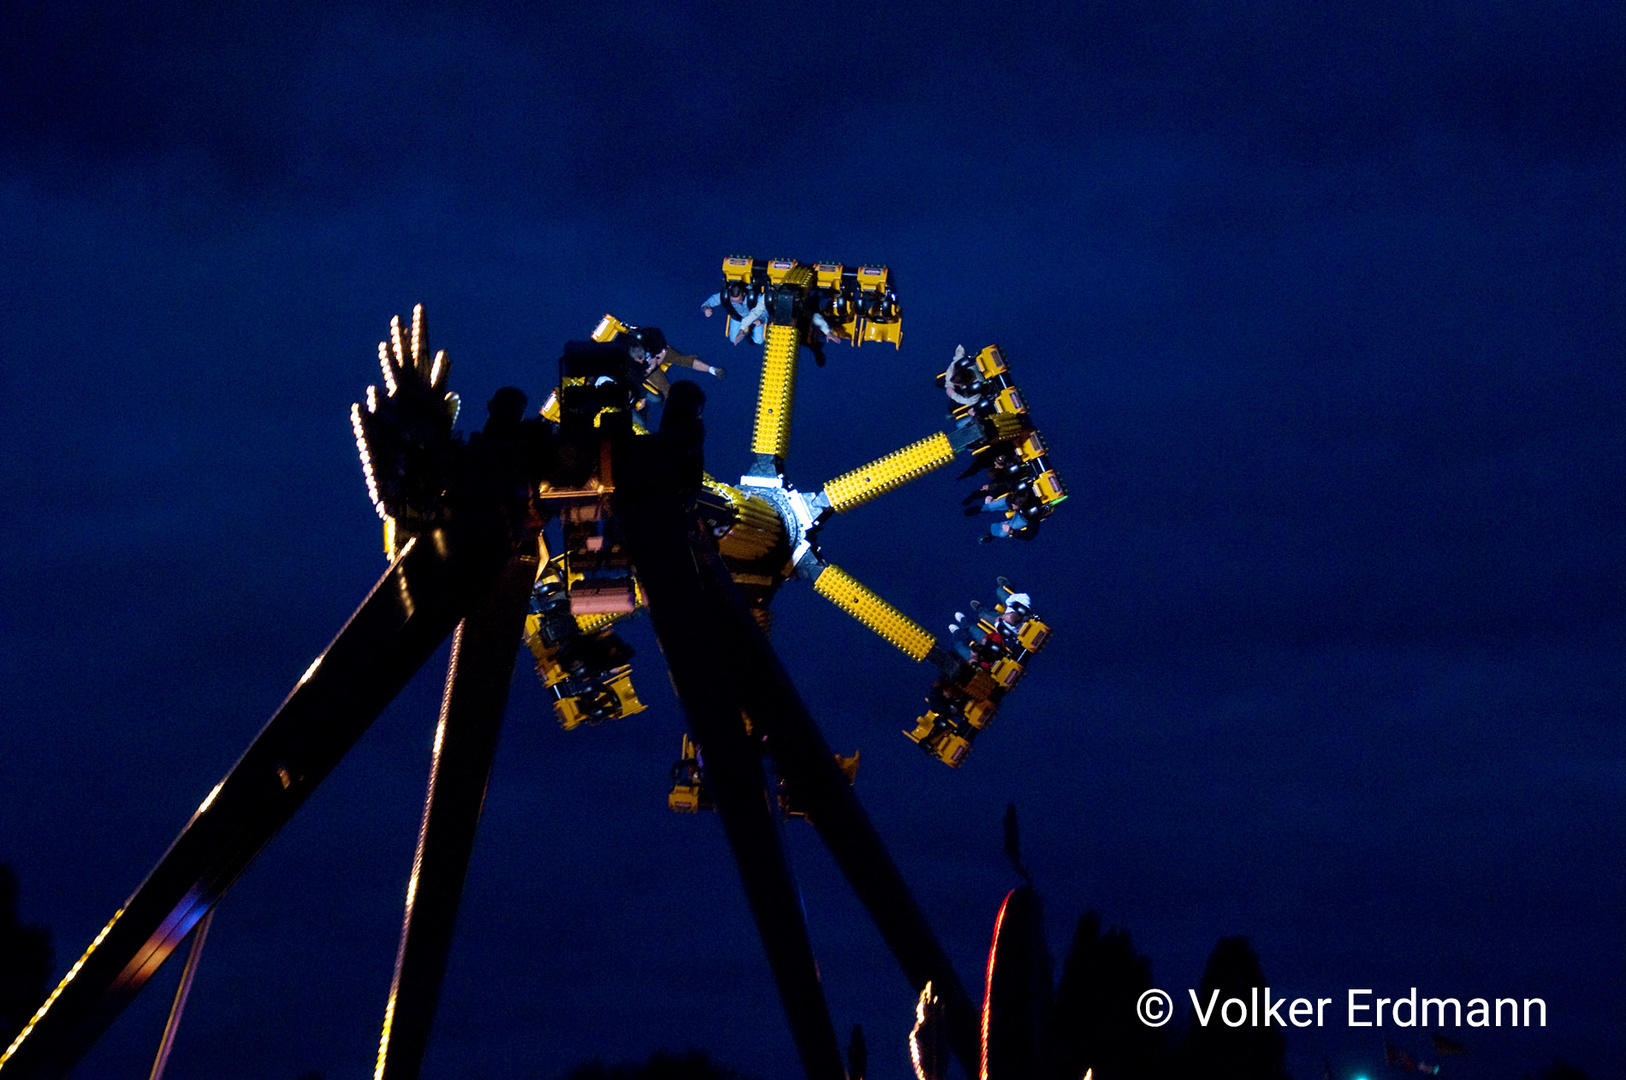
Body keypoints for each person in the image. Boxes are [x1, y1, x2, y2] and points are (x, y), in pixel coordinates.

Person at [701, 282, 765, 345]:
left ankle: (752, 331)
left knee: (758, 340)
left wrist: (761, 320)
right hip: (738, 317)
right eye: (733, 300)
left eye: (738, 300)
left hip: (754, 317)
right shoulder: (727, 296)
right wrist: (706, 309)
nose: (736, 302)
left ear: (743, 294)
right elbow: (709, 302)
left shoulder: (755, 297)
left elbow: (765, 310)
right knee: (734, 339)